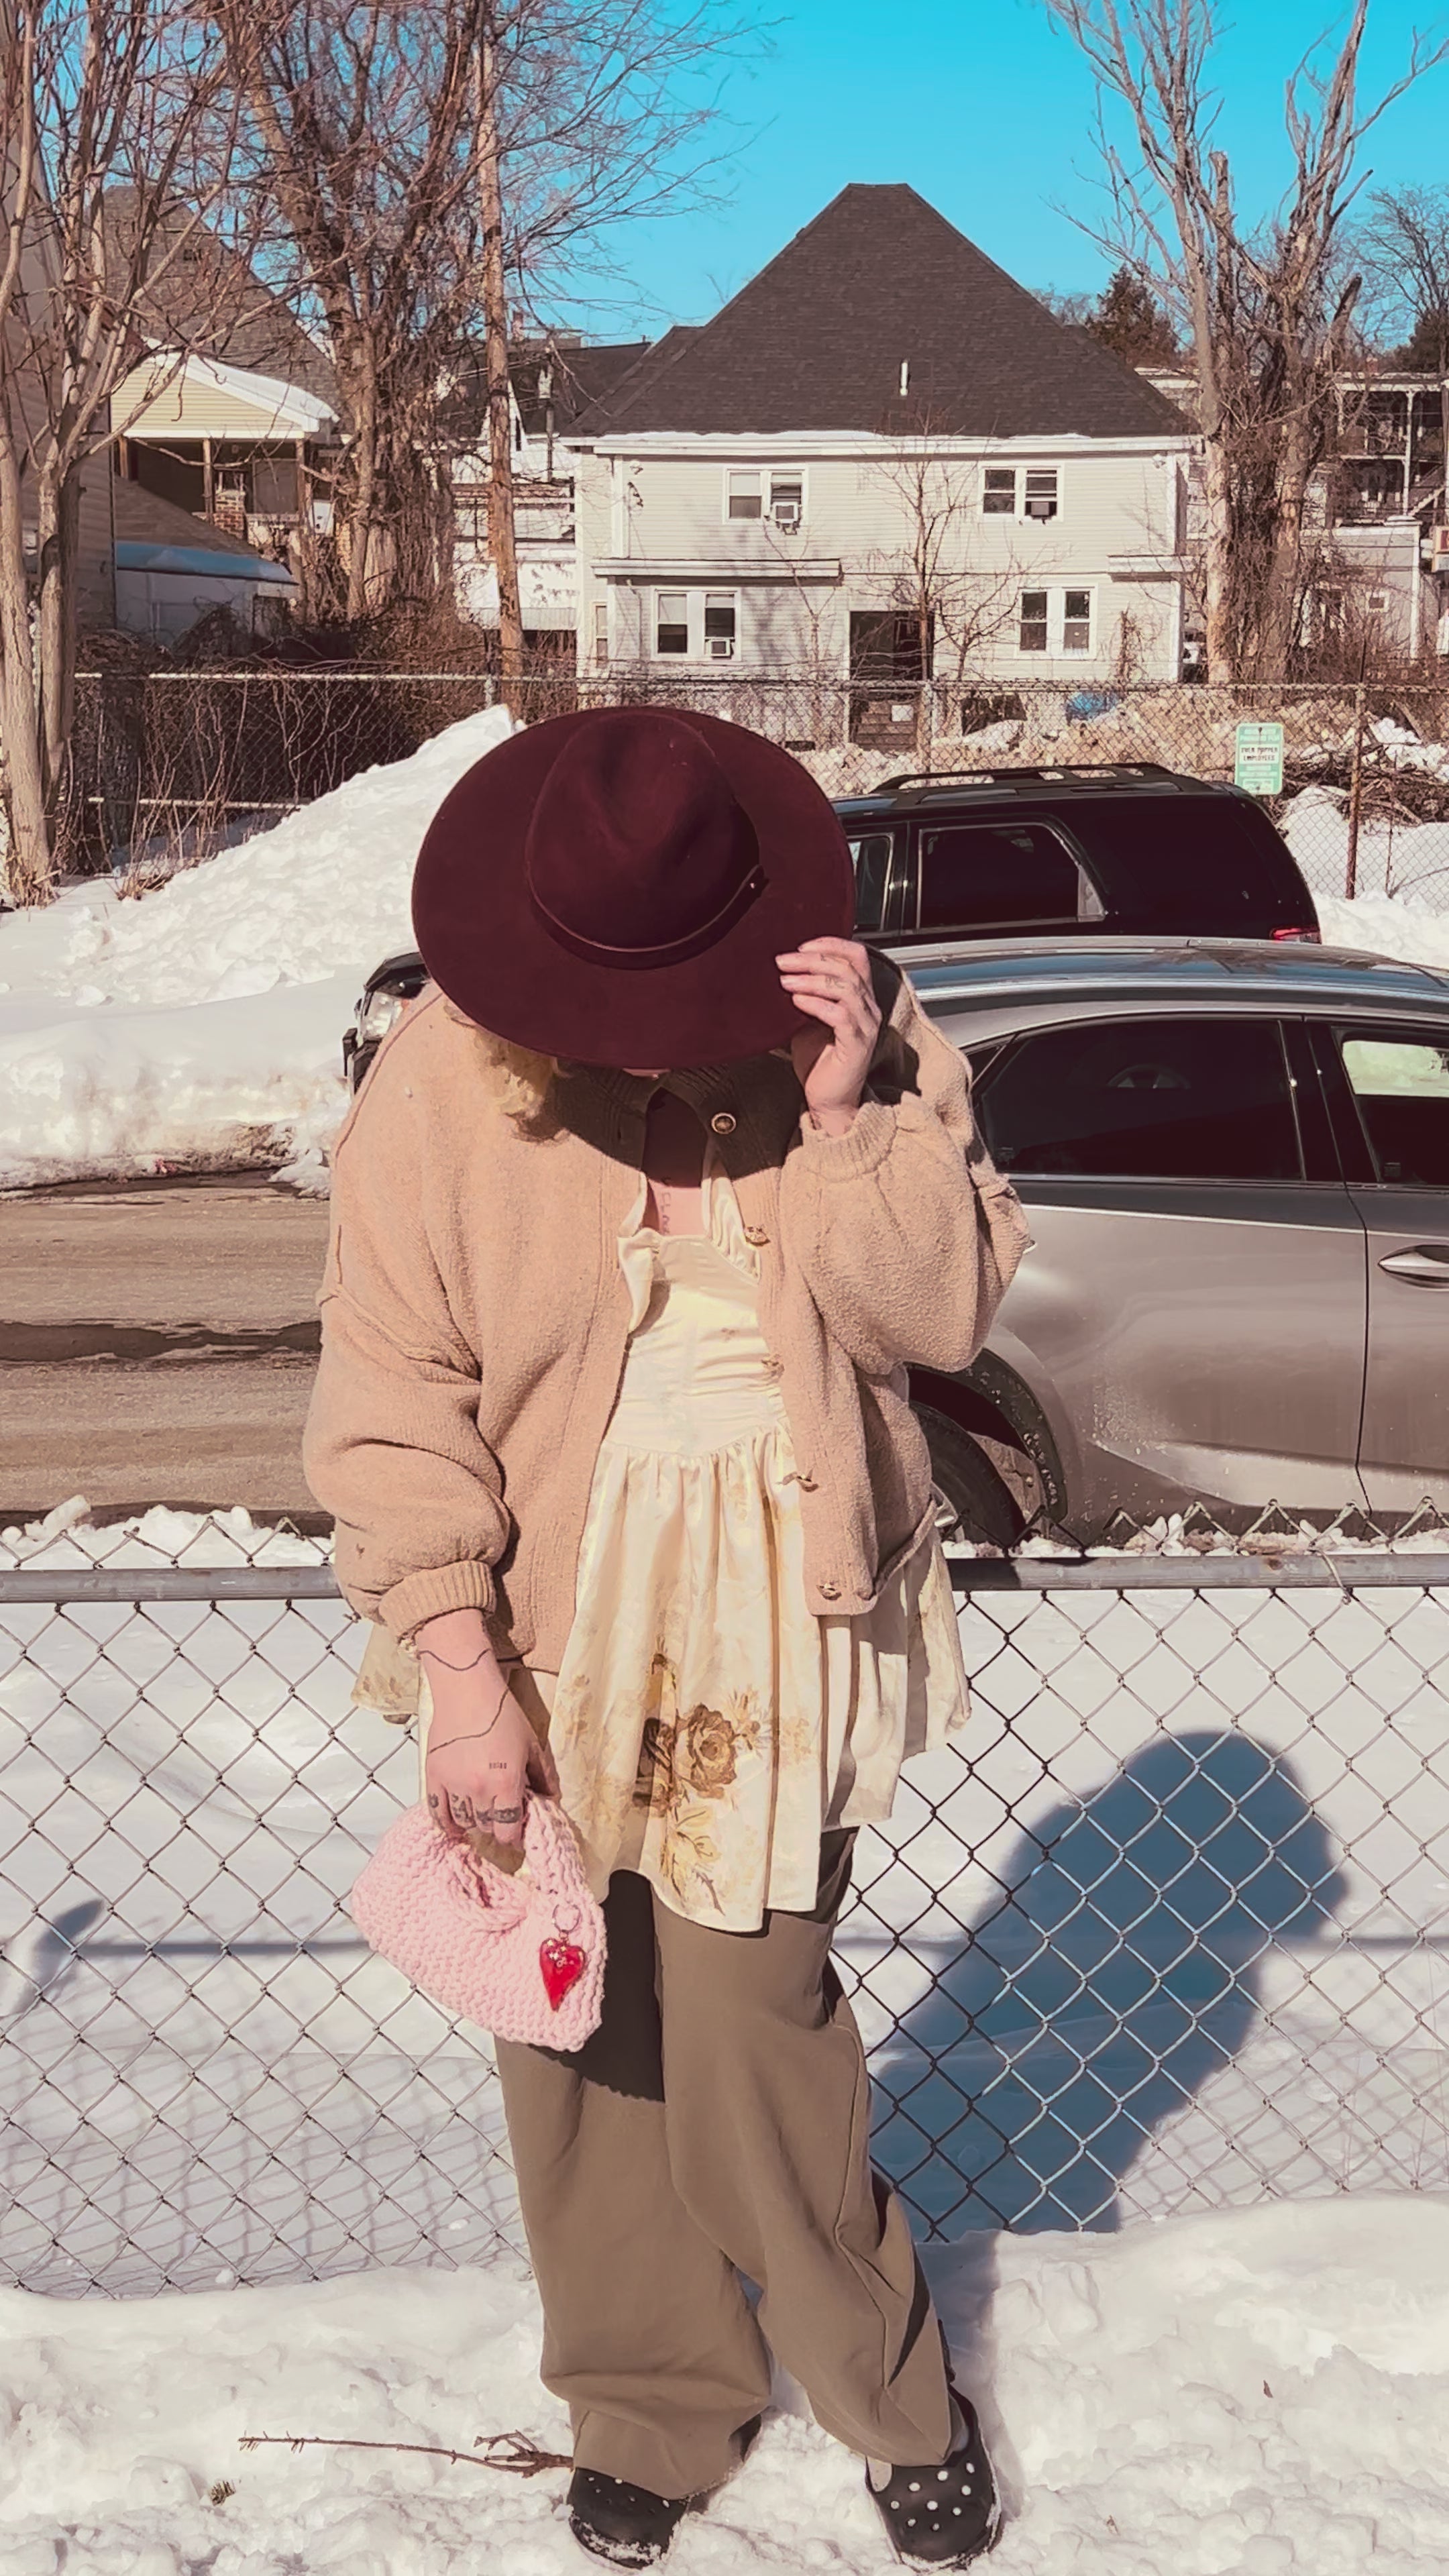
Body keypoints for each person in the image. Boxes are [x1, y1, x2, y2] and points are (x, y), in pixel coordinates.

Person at [305, 706, 1030, 2569]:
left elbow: (939, 1308)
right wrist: (461, 1673)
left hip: (782, 1606)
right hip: (543, 1618)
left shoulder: (859, 1030)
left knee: (748, 2026)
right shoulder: (441, 1082)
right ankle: (649, 2398)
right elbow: (391, 1394)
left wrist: (853, 1112)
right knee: (565, 2027)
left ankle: (885, 2385)